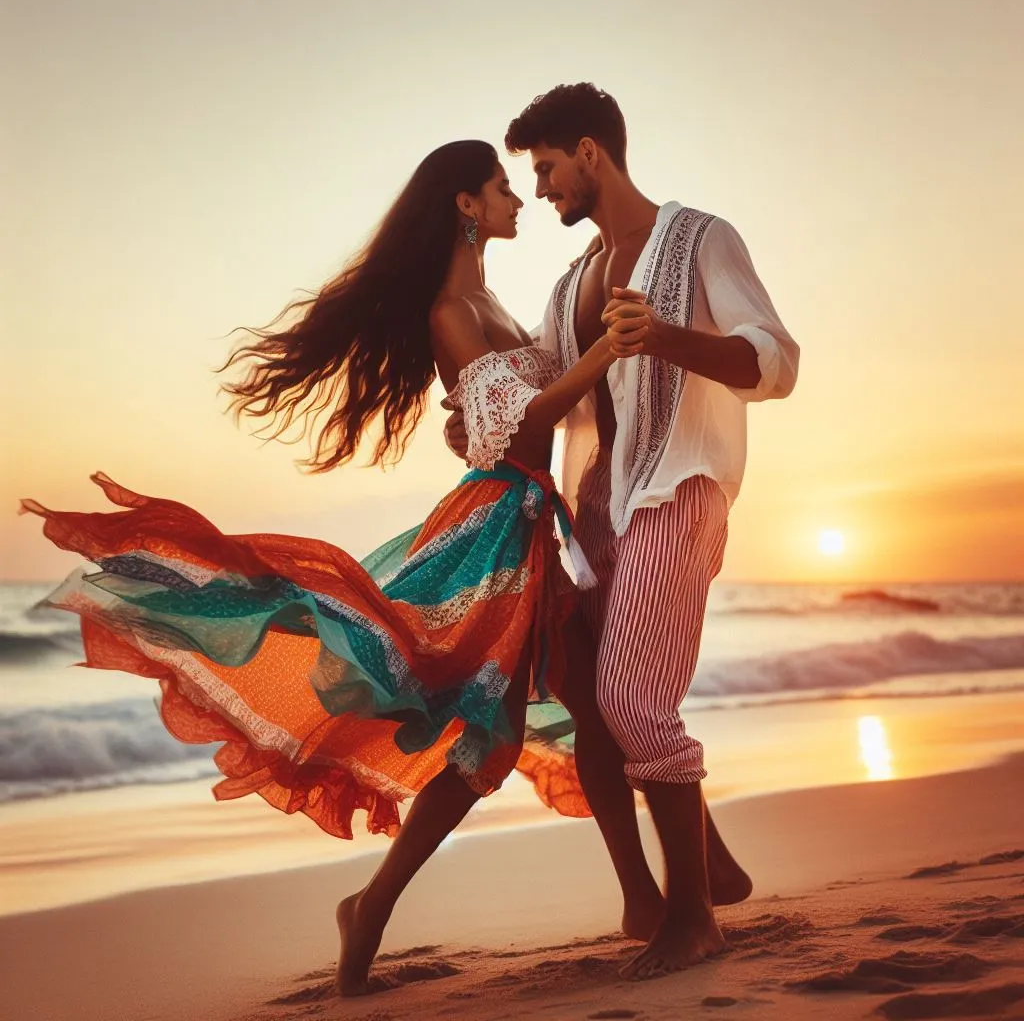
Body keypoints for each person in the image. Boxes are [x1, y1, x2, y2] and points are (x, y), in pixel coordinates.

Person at [19, 139, 725, 997]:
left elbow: (504, 415)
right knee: (490, 743)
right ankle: (379, 904)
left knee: (592, 702)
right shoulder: (449, 314)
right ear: (466, 204)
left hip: (545, 523)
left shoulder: (497, 302)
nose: (518, 200)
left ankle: (645, 897)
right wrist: (602, 354)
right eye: (504, 187)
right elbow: (524, 432)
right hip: (497, 531)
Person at [447, 85, 799, 979]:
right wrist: (475, 419)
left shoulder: (701, 237)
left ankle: (694, 919)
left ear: (592, 153)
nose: (544, 190)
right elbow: (533, 392)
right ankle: (706, 871)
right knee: (591, 701)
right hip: (594, 510)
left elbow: (779, 361)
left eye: (550, 169)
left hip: (679, 491)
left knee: (639, 702)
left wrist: (671, 337)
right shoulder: (569, 285)